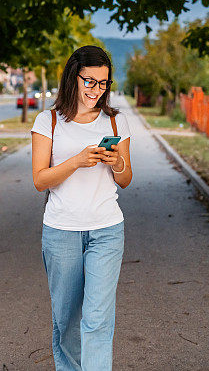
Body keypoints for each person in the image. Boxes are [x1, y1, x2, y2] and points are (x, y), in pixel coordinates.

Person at [31, 45, 133, 370]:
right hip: (61, 233)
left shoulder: (116, 122)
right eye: (89, 81)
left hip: (106, 231)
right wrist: (75, 161)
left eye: (102, 83)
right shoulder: (47, 121)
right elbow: (39, 180)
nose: (95, 90)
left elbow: (126, 179)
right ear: (72, 77)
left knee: (98, 319)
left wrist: (116, 162)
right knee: (66, 322)